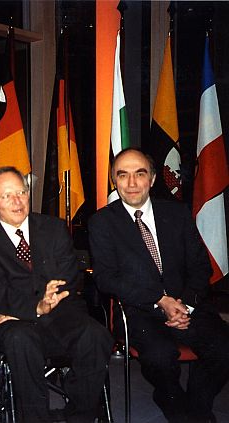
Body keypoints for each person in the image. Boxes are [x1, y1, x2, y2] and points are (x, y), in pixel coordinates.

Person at [88, 148, 229, 423]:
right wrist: (159, 299)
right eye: (123, 175)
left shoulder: (176, 213)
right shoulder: (102, 222)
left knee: (223, 348)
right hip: (140, 312)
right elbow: (106, 278)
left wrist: (185, 304)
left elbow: (201, 266)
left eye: (139, 174)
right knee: (162, 357)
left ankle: (198, 404)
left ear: (152, 179)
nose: (131, 183)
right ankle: (168, 395)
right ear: (114, 181)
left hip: (187, 307)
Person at [0, 166, 113, 423]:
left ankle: (80, 417)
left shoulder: (53, 228)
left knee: (96, 336)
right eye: (6, 196)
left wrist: (45, 304)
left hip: (59, 313)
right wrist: (36, 307)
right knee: (20, 340)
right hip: (18, 321)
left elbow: (68, 277)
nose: (17, 201)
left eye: (22, 192)